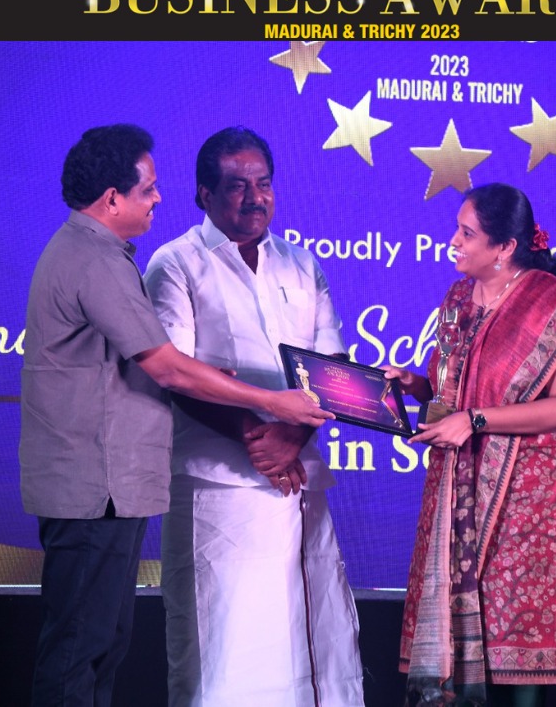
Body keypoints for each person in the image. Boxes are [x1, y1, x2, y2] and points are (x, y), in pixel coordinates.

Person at [19, 124, 332, 707]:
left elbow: (162, 365)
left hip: (108, 487)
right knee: (78, 649)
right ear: (112, 197)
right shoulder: (98, 260)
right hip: (93, 485)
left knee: (99, 643)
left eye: (264, 183)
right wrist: (270, 402)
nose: (158, 199)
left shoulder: (100, 254)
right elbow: (168, 368)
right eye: (148, 189)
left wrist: (286, 424)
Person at [385, 184, 556, 707]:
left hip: (538, 493)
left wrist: (475, 421)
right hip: (462, 485)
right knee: (464, 634)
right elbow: (457, 393)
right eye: (457, 229)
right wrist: (415, 385)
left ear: (504, 247)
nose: (454, 241)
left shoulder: (553, 302)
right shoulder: (459, 299)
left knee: (518, 632)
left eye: (467, 233)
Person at [143, 126, 364, 706]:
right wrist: (252, 435)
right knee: (223, 654)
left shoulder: (301, 265)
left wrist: (291, 436)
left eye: (263, 184)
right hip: (217, 490)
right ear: (204, 193)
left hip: (297, 485)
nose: (254, 198)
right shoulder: (176, 264)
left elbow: (334, 371)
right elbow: (174, 373)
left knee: (308, 651)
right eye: (237, 186)